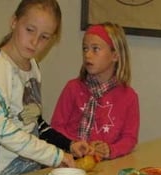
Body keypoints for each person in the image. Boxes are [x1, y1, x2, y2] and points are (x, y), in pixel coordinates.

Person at [0, 0, 88, 175]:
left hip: (29, 171)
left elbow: (34, 122)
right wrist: (53, 155)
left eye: (44, 37)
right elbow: (0, 129)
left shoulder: (33, 66)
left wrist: (68, 144)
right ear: (14, 22)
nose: (35, 41)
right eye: (29, 30)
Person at [51, 22, 139, 160]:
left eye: (95, 49)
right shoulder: (73, 88)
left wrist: (110, 150)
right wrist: (73, 145)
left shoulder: (129, 97)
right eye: (85, 49)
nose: (88, 55)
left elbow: (129, 138)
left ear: (115, 55)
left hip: (105, 165)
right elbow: (56, 127)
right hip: (70, 161)